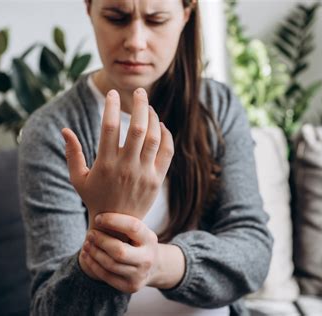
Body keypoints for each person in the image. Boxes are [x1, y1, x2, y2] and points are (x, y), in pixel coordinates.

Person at [18, 0, 273, 315]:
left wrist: (158, 265)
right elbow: (51, 309)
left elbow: (253, 250)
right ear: (89, 9)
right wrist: (111, 221)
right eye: (116, 17)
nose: (135, 41)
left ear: (185, 15)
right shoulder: (52, 132)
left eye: (157, 20)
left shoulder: (218, 107)